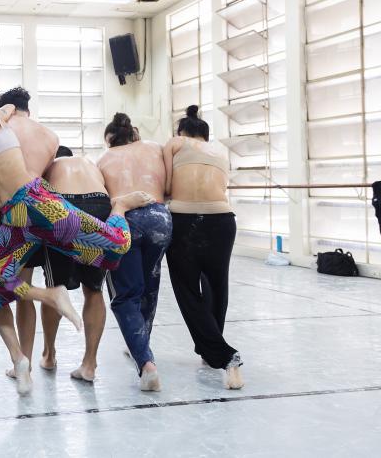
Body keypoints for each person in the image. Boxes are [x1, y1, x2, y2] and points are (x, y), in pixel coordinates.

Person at [0, 80, 152, 396]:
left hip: (35, 201)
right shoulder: (3, 118)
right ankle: (28, 340)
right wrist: (6, 111)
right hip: (16, 216)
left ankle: (120, 205)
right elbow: (6, 117)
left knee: (116, 244)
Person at [163, 105, 243, 390]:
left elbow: (168, 187)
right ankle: (210, 351)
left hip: (186, 220)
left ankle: (222, 353)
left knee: (186, 289)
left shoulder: (175, 143)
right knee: (217, 286)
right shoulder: (221, 152)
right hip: (223, 220)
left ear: (181, 132)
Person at [96, 113, 172, 392]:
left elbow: (102, 200)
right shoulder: (155, 148)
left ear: (109, 140)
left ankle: (146, 363)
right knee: (149, 286)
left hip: (126, 220)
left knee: (125, 295)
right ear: (134, 134)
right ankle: (141, 346)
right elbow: (167, 186)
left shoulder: (104, 159)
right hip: (160, 217)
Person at [0, 87, 59, 381]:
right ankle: (27, 362)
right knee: (24, 288)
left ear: (6, 108)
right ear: (27, 109)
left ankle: (17, 357)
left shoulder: (0, 126)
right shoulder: (49, 136)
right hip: (37, 211)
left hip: (4, 209)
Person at [39, 146, 111, 382]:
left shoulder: (50, 166)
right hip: (100, 204)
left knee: (55, 288)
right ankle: (89, 364)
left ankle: (49, 355)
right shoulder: (90, 164)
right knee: (94, 289)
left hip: (63, 203)